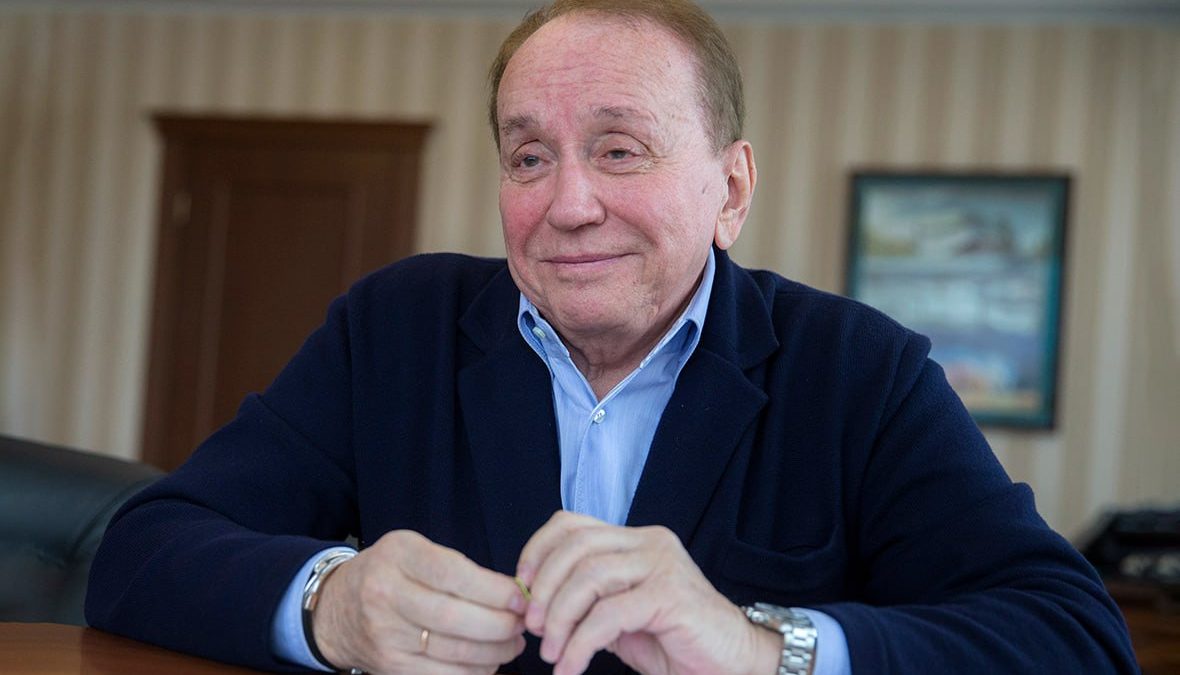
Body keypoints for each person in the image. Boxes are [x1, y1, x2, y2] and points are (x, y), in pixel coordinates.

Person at [86, 1, 1136, 673]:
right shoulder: (394, 328)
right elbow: (141, 550)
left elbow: (1073, 635)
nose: (569, 204)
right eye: (529, 158)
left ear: (731, 189)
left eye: (620, 149)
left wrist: (757, 648)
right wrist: (332, 603)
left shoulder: (861, 370)